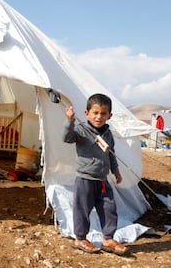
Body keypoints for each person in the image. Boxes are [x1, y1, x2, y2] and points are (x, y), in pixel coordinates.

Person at [62, 93, 129, 256]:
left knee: (109, 209)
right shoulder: (81, 130)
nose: (99, 117)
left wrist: (116, 171)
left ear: (109, 115)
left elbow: (111, 154)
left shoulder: (108, 133)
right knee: (82, 209)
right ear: (87, 113)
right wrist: (69, 121)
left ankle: (108, 238)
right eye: (95, 113)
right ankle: (80, 238)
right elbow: (67, 138)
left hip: (102, 180)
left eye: (103, 113)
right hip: (85, 179)